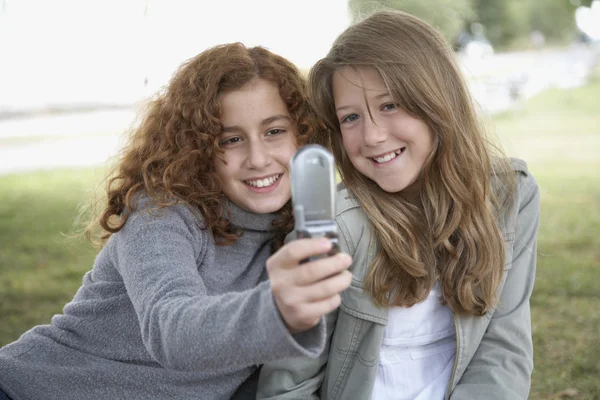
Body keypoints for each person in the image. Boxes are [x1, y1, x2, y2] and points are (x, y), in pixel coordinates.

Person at [0, 43, 353, 400]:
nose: (258, 158)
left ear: (304, 134)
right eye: (230, 140)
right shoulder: (160, 214)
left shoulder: (304, 227)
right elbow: (171, 329)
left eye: (274, 131)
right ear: (198, 149)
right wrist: (277, 308)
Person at [258, 10, 539, 400]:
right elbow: (288, 386)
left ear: (437, 100)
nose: (372, 136)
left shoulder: (510, 196)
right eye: (351, 117)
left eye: (389, 105)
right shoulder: (338, 228)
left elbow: (503, 351)